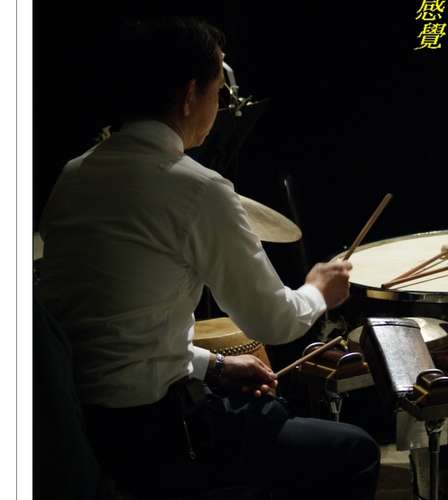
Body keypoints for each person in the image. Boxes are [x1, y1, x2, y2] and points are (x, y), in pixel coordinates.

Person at [37, 16, 380, 499]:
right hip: (154, 436)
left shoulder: (73, 175)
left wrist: (213, 366)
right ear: (189, 95)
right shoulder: (195, 189)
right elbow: (274, 321)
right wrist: (318, 291)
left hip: (74, 424)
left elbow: (114, 336)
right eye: (218, 91)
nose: (219, 106)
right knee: (354, 451)